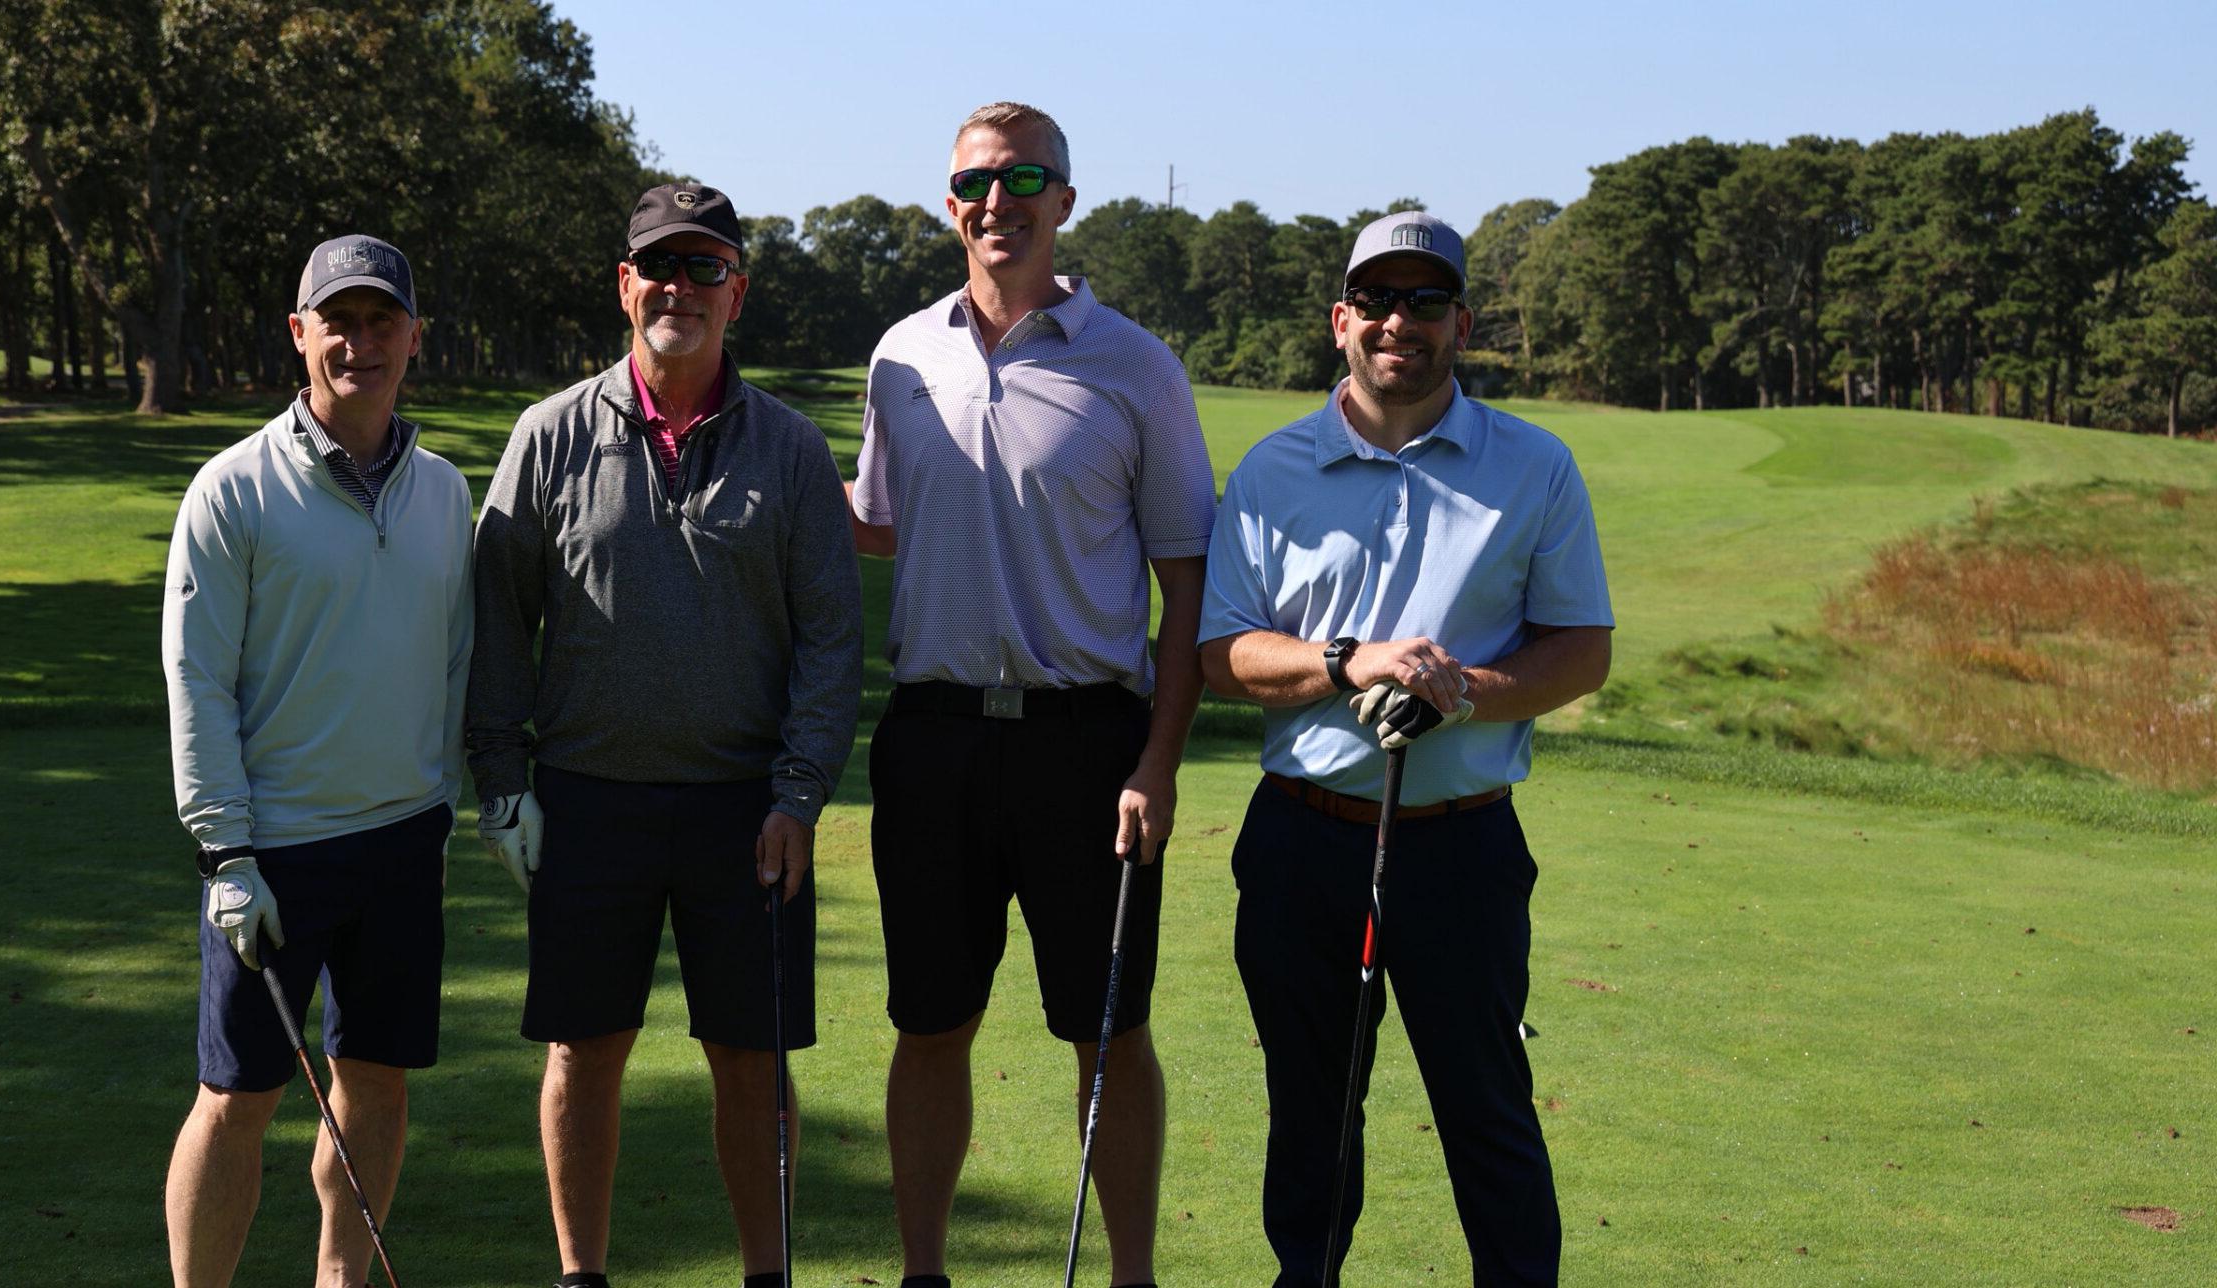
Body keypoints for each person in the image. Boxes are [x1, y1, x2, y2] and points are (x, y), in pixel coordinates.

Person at [1198, 209, 1614, 1286]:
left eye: (1425, 301)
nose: (1399, 322)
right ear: (1340, 319)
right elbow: (1222, 654)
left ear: (1460, 323)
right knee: (1312, 1114)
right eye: (1377, 300)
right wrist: (1353, 663)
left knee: (1485, 1109)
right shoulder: (1271, 468)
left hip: (1459, 848)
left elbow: (1580, 651)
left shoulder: (1534, 466)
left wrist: (1462, 691)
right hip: (1302, 840)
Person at [465, 182, 862, 1288]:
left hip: (748, 810)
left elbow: (831, 645)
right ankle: (580, 1275)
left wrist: (798, 797)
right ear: (624, 283)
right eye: (659, 267)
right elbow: (499, 619)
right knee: (583, 1052)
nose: (679, 288)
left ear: (738, 289)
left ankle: (765, 1274)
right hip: (588, 797)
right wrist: (501, 780)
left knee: (751, 1058)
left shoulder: (785, 446)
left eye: (705, 268)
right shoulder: (549, 434)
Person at [849, 102, 1214, 1288]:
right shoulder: (902, 355)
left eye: (1023, 180)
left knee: (1107, 1032)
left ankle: (1130, 1276)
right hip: (934, 735)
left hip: (1087, 746)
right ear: (948, 202)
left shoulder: (1136, 365)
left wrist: (1156, 764)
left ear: (1065, 199)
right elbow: (879, 526)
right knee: (928, 1022)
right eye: (974, 184)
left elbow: (1186, 588)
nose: (995, 203)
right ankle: (922, 1272)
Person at [160, 234, 471, 1288]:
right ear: (299, 335)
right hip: (276, 852)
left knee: (375, 1083)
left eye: (382, 320)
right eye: (336, 320)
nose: (360, 341)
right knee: (238, 1096)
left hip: (401, 841)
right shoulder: (233, 492)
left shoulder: (441, 492)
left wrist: (469, 796)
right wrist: (224, 852)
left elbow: (455, 660)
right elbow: (196, 680)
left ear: (414, 338)